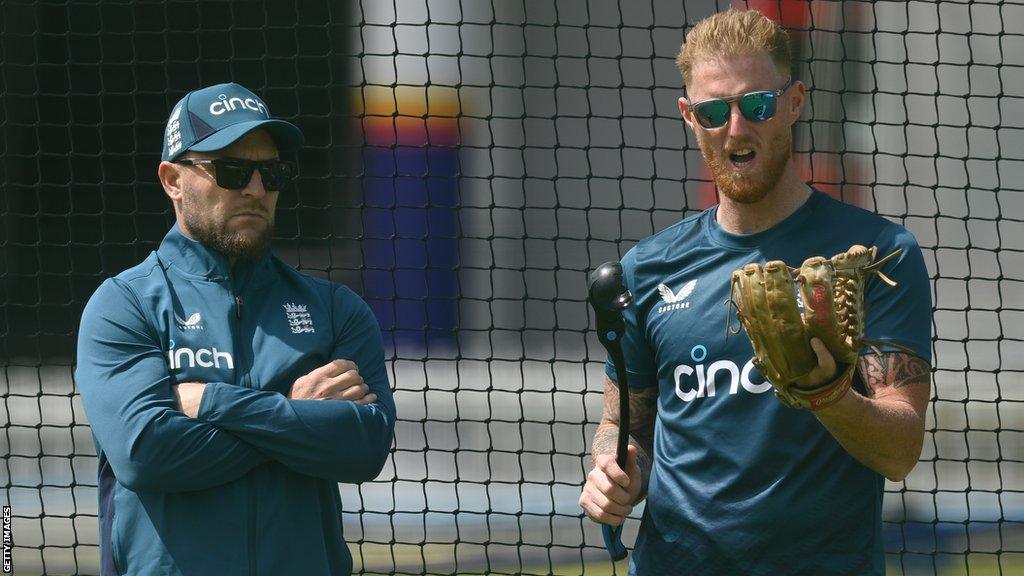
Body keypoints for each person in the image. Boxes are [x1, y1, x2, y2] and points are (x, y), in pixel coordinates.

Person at [578, 9, 932, 575]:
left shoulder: (875, 255)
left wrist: (827, 394)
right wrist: (613, 476)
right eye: (715, 111)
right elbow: (625, 429)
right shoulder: (646, 269)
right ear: (690, 117)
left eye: (757, 105)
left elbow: (900, 451)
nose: (737, 128)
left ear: (793, 103)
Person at [75, 82, 396, 576]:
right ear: (172, 179)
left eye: (271, 172)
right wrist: (297, 418)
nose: (255, 188)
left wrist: (212, 403)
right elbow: (146, 455)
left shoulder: (337, 309)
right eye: (231, 169)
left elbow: (364, 449)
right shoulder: (124, 304)